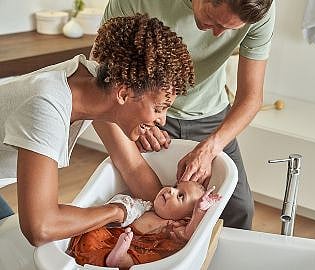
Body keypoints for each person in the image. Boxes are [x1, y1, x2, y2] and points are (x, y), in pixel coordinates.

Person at [0, 14, 195, 246]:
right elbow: (40, 227)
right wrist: (119, 211)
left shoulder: (97, 84)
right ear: (123, 94)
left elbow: (133, 168)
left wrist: (174, 218)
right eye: (158, 108)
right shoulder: (47, 106)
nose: (162, 120)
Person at [97, 0, 276, 230]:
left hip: (212, 118)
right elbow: (101, 79)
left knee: (239, 211)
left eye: (230, 29)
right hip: (144, 108)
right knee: (135, 204)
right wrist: (139, 116)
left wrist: (211, 147)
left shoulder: (259, 9)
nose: (219, 34)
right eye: (214, 20)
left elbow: (251, 98)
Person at [67, 181, 221, 269]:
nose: (171, 191)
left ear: (187, 216)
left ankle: (120, 259)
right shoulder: (146, 206)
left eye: (180, 196)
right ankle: (111, 255)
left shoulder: (175, 225)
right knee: (94, 233)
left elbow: (190, 235)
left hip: (146, 247)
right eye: (175, 186)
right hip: (118, 235)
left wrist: (199, 211)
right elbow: (125, 211)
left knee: (150, 259)